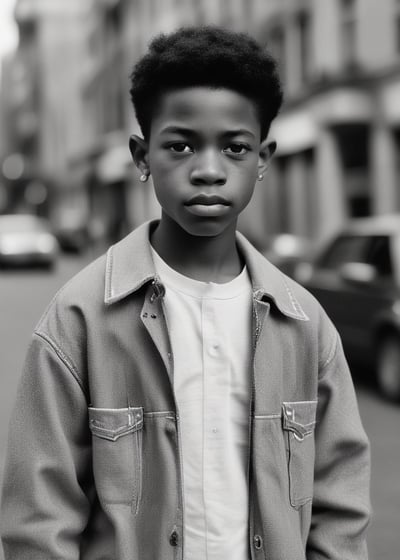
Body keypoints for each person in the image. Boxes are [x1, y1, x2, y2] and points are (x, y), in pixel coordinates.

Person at [1, 26, 370, 560]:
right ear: (142, 155)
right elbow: (39, 518)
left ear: (263, 158)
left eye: (235, 148)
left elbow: (341, 506)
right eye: (180, 145)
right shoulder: (78, 320)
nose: (208, 171)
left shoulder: (305, 323)